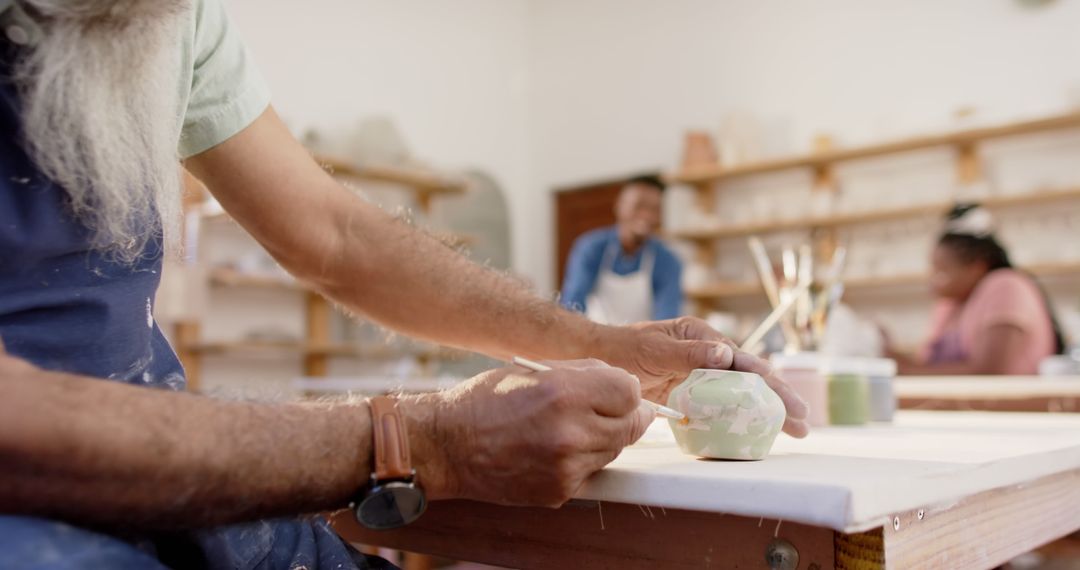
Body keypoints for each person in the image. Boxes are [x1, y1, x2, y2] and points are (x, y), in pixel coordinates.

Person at [0, 2, 809, 569]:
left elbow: (335, 234)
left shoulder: (169, 15)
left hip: (170, 486)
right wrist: (419, 443)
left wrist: (602, 345)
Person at [886, 204, 1065, 375]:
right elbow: (929, 365)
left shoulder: (1005, 285)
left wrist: (906, 370)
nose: (933, 280)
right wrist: (890, 355)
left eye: (942, 271)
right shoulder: (949, 305)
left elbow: (989, 372)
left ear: (976, 267)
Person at [560, 175, 684, 324]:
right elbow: (572, 305)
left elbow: (667, 317)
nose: (647, 215)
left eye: (655, 209)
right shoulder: (591, 248)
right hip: (595, 340)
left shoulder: (668, 261)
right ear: (619, 206)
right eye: (639, 205)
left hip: (644, 344)